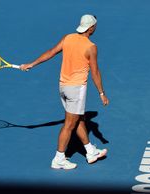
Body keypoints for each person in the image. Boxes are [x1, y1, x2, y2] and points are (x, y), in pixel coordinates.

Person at [20, 14, 109, 170]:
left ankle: (90, 151)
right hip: (76, 89)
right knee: (69, 125)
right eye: (95, 26)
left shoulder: (68, 38)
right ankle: (59, 158)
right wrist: (101, 93)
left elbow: (51, 51)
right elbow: (95, 72)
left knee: (79, 119)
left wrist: (32, 64)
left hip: (63, 87)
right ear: (91, 28)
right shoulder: (91, 47)